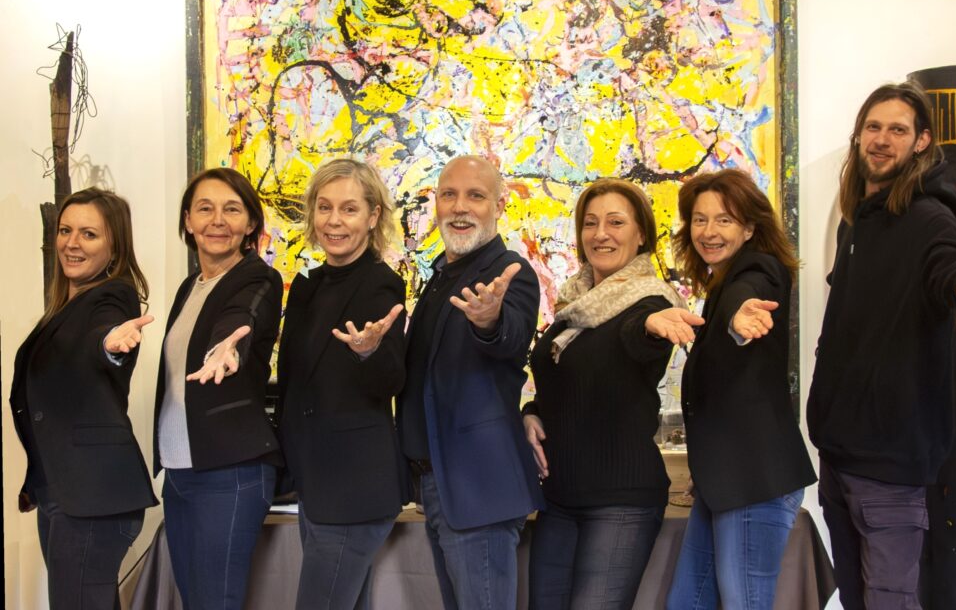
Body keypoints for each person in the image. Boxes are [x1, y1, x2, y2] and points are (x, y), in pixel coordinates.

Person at [807, 81, 956, 610]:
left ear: (921, 142)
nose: (882, 139)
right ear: (858, 136)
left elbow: (953, 275)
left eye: (897, 129)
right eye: (873, 127)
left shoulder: (928, 217)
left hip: (890, 466)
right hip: (840, 455)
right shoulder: (860, 220)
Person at [522, 178, 704, 610]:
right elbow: (566, 382)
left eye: (616, 222)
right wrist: (531, 413)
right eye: (591, 223)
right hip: (560, 498)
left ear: (641, 234)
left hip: (620, 502)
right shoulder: (575, 305)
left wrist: (650, 327)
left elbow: (636, 335)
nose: (601, 233)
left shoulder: (650, 302)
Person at [395, 154, 543, 610]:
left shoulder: (510, 273)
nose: (460, 207)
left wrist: (489, 321)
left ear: (499, 206)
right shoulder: (440, 275)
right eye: (449, 195)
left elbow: (511, 338)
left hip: (478, 489)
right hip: (438, 485)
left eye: (475, 196)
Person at [665, 169, 817, 610]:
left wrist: (737, 317)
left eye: (724, 220)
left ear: (750, 228)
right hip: (725, 481)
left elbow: (750, 292)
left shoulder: (756, 269)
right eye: (700, 219)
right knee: (687, 603)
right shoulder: (722, 282)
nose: (708, 232)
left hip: (754, 479)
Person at [10, 188, 157, 610]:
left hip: (93, 495)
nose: (72, 243)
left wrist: (108, 345)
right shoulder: (66, 305)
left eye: (89, 234)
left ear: (115, 246)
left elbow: (101, 336)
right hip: (62, 490)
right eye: (65, 231)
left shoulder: (113, 295)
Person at [276, 158, 407, 609]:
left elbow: (391, 378)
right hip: (315, 483)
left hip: (355, 488)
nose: (334, 220)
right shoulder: (308, 286)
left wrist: (368, 351)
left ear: (373, 217)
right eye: (325, 207)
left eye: (349, 209)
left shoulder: (381, 284)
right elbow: (296, 385)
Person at [153, 167, 284, 610]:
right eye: (205, 209)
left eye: (232, 209)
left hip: (231, 471)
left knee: (216, 602)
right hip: (180, 471)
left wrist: (226, 348)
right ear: (188, 220)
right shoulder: (190, 287)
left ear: (250, 224)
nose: (217, 220)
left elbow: (242, 316)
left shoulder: (257, 277)